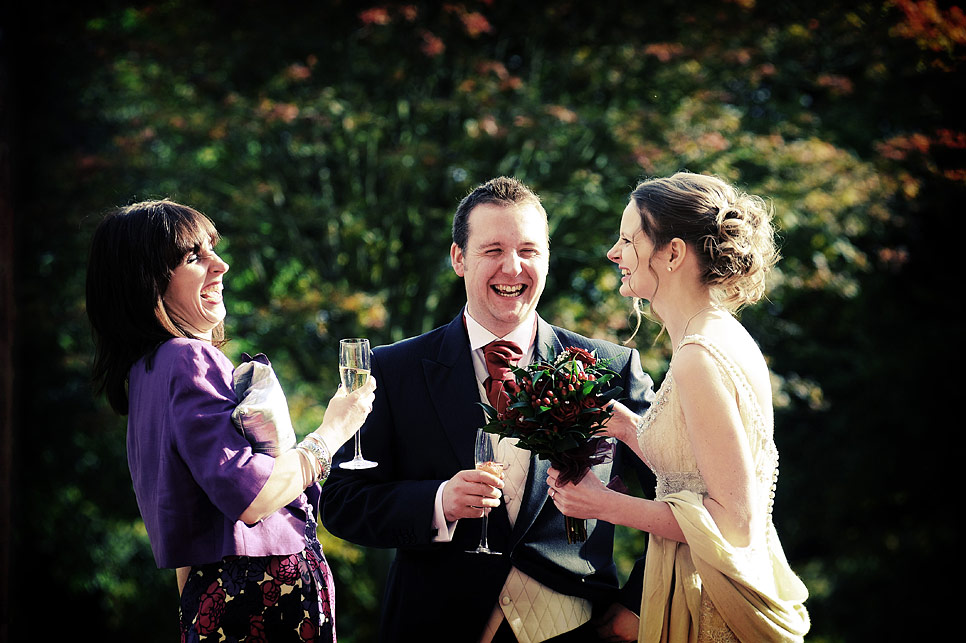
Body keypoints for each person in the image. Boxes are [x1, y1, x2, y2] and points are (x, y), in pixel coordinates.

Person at [318, 177, 656, 643]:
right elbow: (340, 502)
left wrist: (636, 607)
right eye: (493, 250)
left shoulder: (612, 368)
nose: (512, 267)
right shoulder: (392, 369)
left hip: (578, 628)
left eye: (529, 251)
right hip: (433, 625)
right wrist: (437, 503)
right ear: (459, 258)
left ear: (548, 259)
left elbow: (682, 494)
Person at [85, 199, 377, 642]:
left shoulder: (147, 372)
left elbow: (190, 541)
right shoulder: (188, 359)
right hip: (265, 605)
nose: (220, 265)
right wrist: (334, 430)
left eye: (212, 250)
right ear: (147, 282)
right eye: (193, 257)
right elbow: (254, 497)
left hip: (221, 604)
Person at [546, 172, 810, 642]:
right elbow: (702, 474)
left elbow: (731, 519)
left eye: (628, 239)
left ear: (672, 253)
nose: (614, 253)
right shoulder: (720, 333)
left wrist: (603, 504)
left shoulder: (698, 356)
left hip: (711, 599)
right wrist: (632, 429)